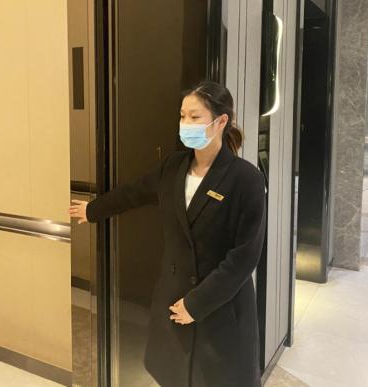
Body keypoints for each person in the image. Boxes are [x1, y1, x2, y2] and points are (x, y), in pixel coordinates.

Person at [69, 81, 267, 387]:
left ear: (221, 122)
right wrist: (93, 210)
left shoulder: (246, 179)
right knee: (174, 376)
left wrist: (196, 304)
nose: (186, 124)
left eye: (195, 117)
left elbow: (244, 257)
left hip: (220, 305)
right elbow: (134, 193)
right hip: (174, 296)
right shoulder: (173, 167)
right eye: (182, 116)